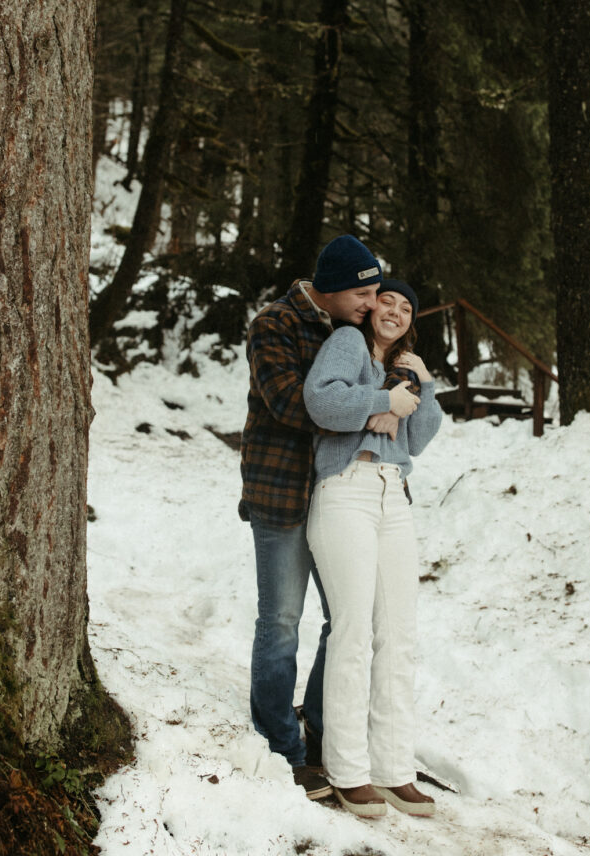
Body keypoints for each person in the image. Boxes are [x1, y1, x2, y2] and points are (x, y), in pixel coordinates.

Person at [239, 236, 416, 800]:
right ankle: (279, 746)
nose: (372, 302)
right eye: (364, 292)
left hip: (340, 497)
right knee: (283, 618)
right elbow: (294, 402)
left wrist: (395, 391)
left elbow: (387, 396)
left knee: (347, 619)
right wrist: (373, 409)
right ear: (335, 290)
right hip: (282, 490)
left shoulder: (353, 333)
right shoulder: (274, 324)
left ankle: (320, 728)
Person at [302, 278, 442, 819]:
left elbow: (420, 438)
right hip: (346, 493)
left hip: (394, 497)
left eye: (407, 308)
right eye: (388, 301)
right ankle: (348, 771)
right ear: (370, 306)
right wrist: (382, 402)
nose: (397, 311)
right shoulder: (346, 344)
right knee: (354, 633)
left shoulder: (403, 367)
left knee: (400, 637)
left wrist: (420, 387)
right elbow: (321, 401)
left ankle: (392, 770)